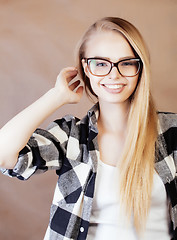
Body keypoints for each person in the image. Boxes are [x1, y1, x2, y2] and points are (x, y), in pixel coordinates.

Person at [0, 17, 176, 240]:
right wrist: (56, 96)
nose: (114, 74)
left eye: (127, 62)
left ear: (140, 67)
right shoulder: (71, 136)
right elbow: (3, 155)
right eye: (101, 63)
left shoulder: (172, 132)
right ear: (86, 67)